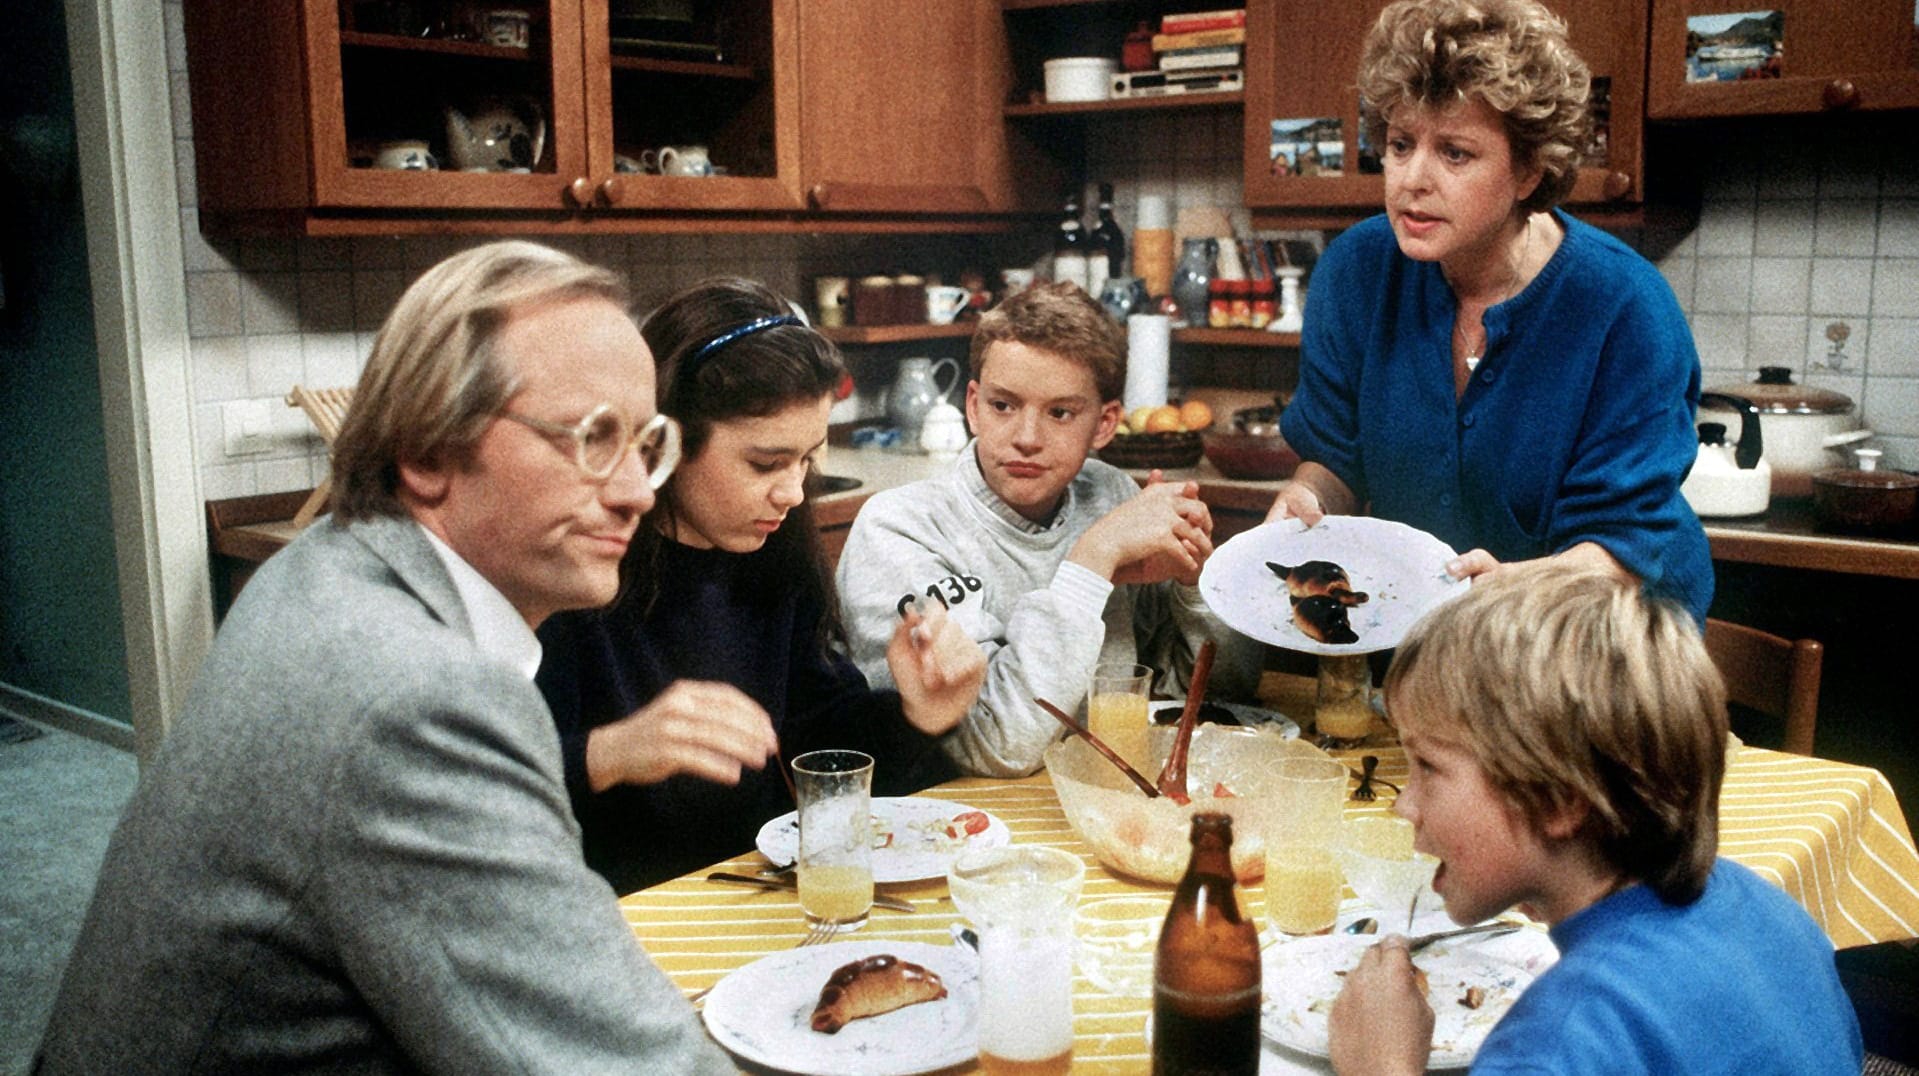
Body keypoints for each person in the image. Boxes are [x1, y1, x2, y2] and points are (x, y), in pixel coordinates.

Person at [36, 241, 734, 1073]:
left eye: (646, 443)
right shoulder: (418, 698)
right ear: (429, 452)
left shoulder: (322, 560)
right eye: (592, 439)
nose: (635, 491)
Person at [1270, 0, 1713, 624]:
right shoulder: (1356, 270)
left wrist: (1513, 588)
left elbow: (1622, 548)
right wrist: (1307, 496)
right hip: (1438, 632)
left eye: (1455, 153)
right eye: (1401, 144)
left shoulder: (1626, 308)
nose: (1412, 180)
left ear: (1529, 170)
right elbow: (1336, 457)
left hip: (1607, 648)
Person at [536, 277, 985, 893]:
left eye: (807, 459)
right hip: (618, 917)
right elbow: (466, 797)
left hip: (752, 892)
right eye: (765, 463)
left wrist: (917, 715)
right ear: (664, 441)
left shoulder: (773, 552)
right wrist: (609, 752)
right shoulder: (569, 575)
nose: (794, 492)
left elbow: (821, 752)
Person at [1327, 561, 1863, 1075]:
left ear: (1559, 800)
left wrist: (1382, 1066)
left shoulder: (1557, 1042)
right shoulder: (1766, 905)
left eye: (1428, 766)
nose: (1404, 804)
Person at [835, 282, 1259, 778]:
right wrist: (1093, 558)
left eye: (1060, 413)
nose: (1027, 439)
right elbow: (998, 743)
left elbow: (1213, 695)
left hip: (1091, 796)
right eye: (1003, 406)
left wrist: (1196, 583)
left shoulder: (1110, 494)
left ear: (1104, 425)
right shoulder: (900, 528)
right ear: (973, 406)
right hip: (956, 819)